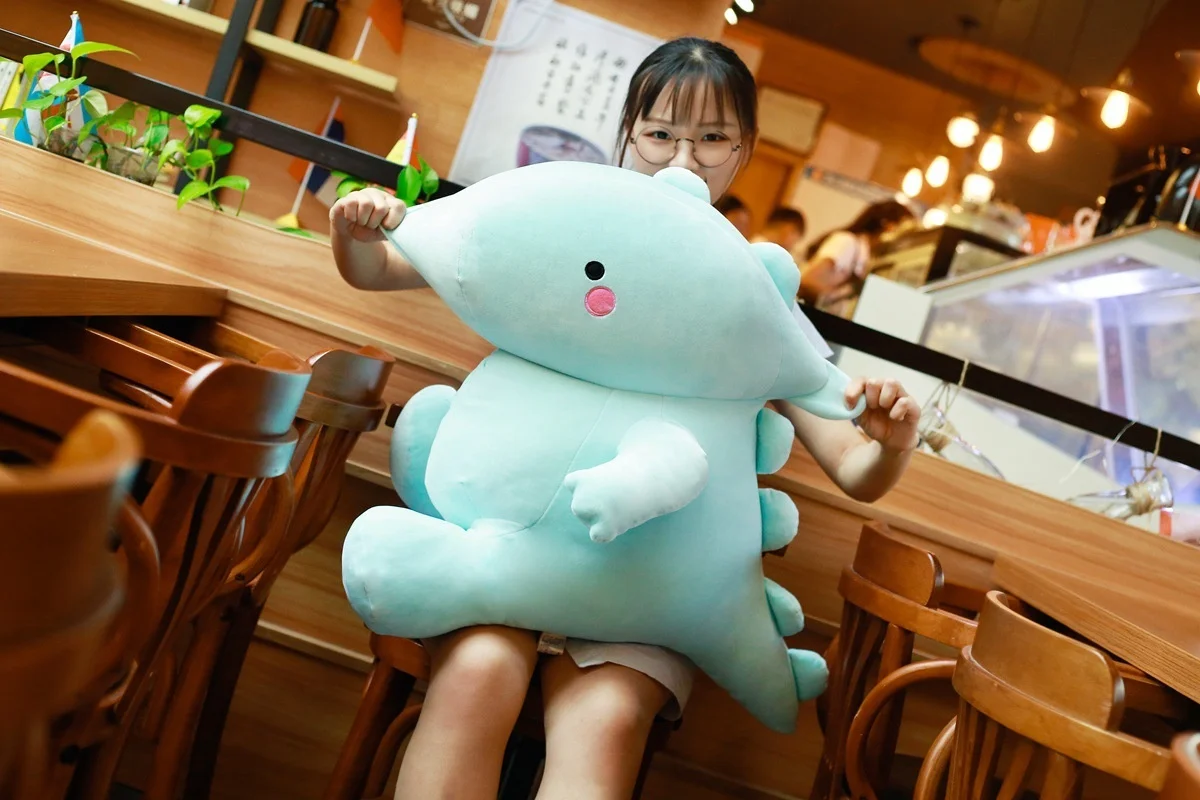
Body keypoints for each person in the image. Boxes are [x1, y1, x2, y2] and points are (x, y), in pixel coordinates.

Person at [329, 36, 921, 800]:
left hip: (642, 590)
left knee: (606, 721)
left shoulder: (747, 293)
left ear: (744, 149)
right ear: (627, 134)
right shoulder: (560, 222)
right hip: (502, 550)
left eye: (712, 138)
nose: (684, 157)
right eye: (660, 133)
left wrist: (891, 444)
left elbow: (853, 467)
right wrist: (357, 230)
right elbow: (381, 270)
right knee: (478, 674)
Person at [800, 200, 913, 307]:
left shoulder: (871, 258)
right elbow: (807, 282)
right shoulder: (847, 242)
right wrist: (839, 297)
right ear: (887, 225)